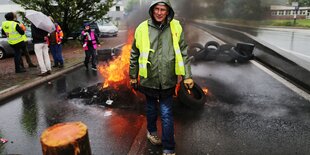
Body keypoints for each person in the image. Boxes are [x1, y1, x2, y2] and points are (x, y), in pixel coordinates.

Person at [129, 1, 194, 155]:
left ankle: (169, 148)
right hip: (148, 79)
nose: (159, 12)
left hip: (168, 79)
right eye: (156, 9)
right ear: (152, 10)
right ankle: (151, 132)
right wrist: (133, 76)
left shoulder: (176, 27)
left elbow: (183, 52)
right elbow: (134, 54)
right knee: (151, 109)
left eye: (162, 9)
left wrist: (187, 76)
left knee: (166, 113)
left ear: (168, 11)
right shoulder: (142, 28)